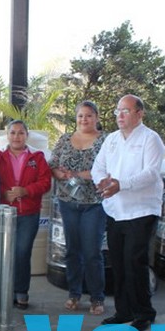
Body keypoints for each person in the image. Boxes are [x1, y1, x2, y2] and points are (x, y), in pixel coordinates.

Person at [91, 94, 165, 331]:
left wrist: (122, 185)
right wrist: (102, 181)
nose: (120, 115)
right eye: (118, 111)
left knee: (135, 262)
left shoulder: (150, 139)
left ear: (139, 114)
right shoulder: (112, 139)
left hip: (141, 211)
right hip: (115, 211)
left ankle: (144, 313)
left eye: (126, 111)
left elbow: (151, 173)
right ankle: (123, 311)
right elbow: (98, 166)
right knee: (119, 263)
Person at [49, 101, 107, 315]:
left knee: (92, 252)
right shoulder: (65, 139)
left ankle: (97, 297)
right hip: (67, 202)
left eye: (89, 115)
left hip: (94, 204)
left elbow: (108, 169)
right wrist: (60, 174)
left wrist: (76, 174)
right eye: (81, 115)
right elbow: (52, 165)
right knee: (72, 250)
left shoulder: (106, 141)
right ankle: (74, 293)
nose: (84, 119)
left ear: (97, 117)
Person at [0, 120, 51, 310]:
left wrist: (25, 191)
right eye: (13, 133)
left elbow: (45, 182)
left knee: (22, 252)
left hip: (29, 213)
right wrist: (4, 193)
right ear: (7, 135)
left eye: (20, 133)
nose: (16, 137)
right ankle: (6, 291)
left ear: (27, 135)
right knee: (5, 253)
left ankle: (21, 291)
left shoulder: (37, 157)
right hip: (4, 213)